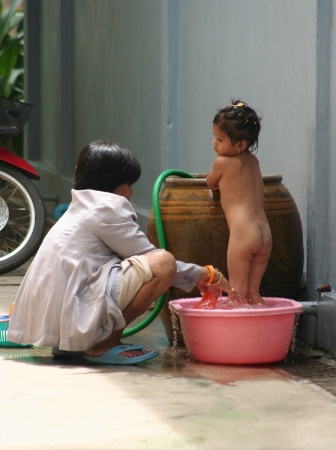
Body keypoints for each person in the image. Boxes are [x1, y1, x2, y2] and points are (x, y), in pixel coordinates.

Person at [8, 140, 230, 365]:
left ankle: (75, 344)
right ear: (114, 182)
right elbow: (150, 258)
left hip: (58, 315)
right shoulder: (109, 207)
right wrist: (206, 274)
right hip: (74, 307)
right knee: (163, 263)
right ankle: (103, 344)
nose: (131, 191)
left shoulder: (82, 204)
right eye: (128, 183)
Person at [206, 100, 272, 305]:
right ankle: (262, 329)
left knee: (236, 293)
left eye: (219, 139)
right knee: (253, 293)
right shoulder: (254, 161)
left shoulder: (222, 162)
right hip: (264, 233)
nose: (214, 143)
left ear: (240, 144)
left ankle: (236, 335)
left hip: (243, 235)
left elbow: (210, 183)